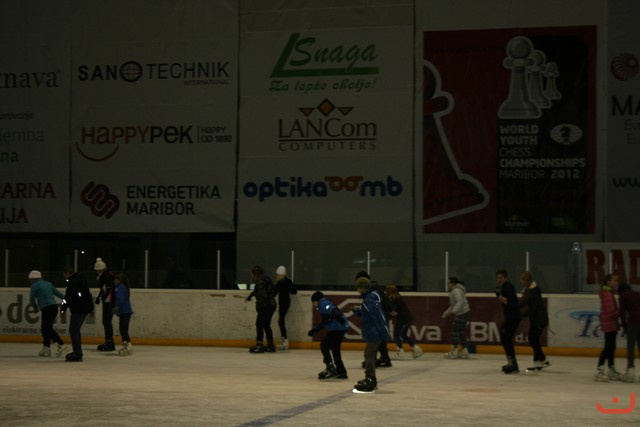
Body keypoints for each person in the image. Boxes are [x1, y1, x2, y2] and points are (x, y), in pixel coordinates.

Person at [352, 276, 391, 393]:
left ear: (362, 288)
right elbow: (366, 313)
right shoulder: (369, 299)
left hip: (375, 332)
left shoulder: (370, 300)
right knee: (369, 354)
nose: (357, 290)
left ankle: (370, 379)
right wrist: (358, 310)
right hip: (374, 331)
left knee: (369, 354)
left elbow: (378, 317)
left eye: (358, 288)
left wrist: (383, 331)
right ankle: (370, 378)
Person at [308, 291, 348, 380]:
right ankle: (341, 371)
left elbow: (327, 317)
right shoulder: (326, 302)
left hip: (337, 328)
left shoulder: (323, 304)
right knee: (335, 348)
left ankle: (330, 367)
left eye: (313, 302)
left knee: (324, 345)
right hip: (341, 328)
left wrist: (315, 330)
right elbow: (330, 315)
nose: (314, 305)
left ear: (316, 300)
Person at [355, 271, 392, 368]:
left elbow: (382, 300)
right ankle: (383, 358)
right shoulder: (372, 290)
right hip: (381, 312)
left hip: (380, 314)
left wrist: (389, 310)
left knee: (376, 339)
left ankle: (375, 360)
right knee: (377, 339)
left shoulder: (372, 290)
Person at [28, 270, 68, 357]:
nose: (30, 281)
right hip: (53, 307)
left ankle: (61, 344)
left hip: (47, 308)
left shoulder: (34, 286)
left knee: (47, 328)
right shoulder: (48, 284)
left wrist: (35, 307)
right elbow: (58, 293)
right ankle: (46, 347)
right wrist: (67, 299)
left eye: (30, 279)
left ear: (33, 279)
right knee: (45, 328)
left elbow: (31, 299)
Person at [518, 271, 550, 370]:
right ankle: (542, 360)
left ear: (527, 280)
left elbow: (533, 308)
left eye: (522, 280)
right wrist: (514, 308)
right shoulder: (529, 290)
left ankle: (537, 362)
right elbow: (523, 302)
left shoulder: (533, 291)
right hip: (537, 319)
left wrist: (522, 315)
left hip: (539, 319)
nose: (520, 282)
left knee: (533, 339)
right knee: (533, 339)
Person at [60, 267, 94, 362]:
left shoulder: (72, 281)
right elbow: (88, 294)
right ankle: (77, 352)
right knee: (75, 330)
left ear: (67, 273)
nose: (65, 277)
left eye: (64, 275)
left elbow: (68, 296)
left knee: (73, 330)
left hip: (78, 308)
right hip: (84, 308)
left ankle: (77, 353)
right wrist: (91, 308)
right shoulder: (82, 279)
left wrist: (62, 309)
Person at [594, 274, 622, 381]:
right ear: (608, 281)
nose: (616, 282)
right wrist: (621, 312)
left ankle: (611, 368)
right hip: (609, 324)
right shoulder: (607, 294)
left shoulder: (609, 293)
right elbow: (611, 312)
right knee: (608, 347)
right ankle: (599, 369)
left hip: (611, 324)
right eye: (614, 280)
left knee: (611, 347)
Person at [385, 284, 423, 359]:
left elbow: (394, 311)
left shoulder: (392, 298)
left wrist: (388, 313)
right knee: (403, 334)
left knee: (396, 334)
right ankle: (417, 349)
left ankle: (400, 352)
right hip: (408, 318)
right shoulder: (398, 296)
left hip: (402, 319)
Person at [495, 269, 521, 374]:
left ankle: (513, 364)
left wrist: (499, 296)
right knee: (505, 338)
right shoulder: (505, 287)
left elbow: (509, 302)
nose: (499, 280)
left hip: (512, 317)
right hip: (511, 317)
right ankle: (511, 362)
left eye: (501, 278)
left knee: (505, 338)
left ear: (505, 278)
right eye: (498, 278)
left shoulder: (508, 288)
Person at [246, 265, 277, 353]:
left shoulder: (260, 281)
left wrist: (258, 304)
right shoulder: (267, 279)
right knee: (266, 324)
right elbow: (267, 292)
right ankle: (270, 344)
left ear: (255, 274)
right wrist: (251, 295)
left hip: (265, 306)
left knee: (259, 324)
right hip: (272, 305)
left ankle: (259, 344)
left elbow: (263, 295)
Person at [442, 276, 471, 359]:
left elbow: (459, 302)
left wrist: (454, 311)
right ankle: (464, 350)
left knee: (454, 331)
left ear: (453, 283)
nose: (447, 284)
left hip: (462, 313)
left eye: (448, 283)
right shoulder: (455, 291)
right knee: (461, 331)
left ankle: (454, 351)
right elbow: (453, 305)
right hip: (464, 313)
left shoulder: (456, 291)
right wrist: (446, 313)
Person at [618, 283, 640, 383]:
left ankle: (630, 370)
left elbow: (622, 312)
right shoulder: (637, 294)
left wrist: (624, 325)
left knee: (631, 346)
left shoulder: (623, 296)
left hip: (633, 322)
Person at [94, 257, 116, 352]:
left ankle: (109, 342)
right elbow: (105, 289)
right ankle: (109, 342)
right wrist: (100, 297)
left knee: (106, 321)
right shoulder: (108, 275)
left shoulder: (105, 276)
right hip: (108, 301)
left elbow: (106, 289)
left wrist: (101, 297)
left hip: (108, 302)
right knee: (106, 321)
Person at [274, 265, 297, 350]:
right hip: (286, 302)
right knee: (281, 321)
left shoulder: (280, 282)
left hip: (283, 303)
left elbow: (274, 293)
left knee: (281, 321)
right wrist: (289, 289)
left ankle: (285, 341)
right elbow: (294, 291)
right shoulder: (288, 281)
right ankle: (284, 341)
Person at [114, 273, 134, 356]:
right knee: (124, 329)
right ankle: (127, 345)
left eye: (115, 280)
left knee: (123, 329)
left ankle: (127, 345)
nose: (114, 281)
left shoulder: (121, 287)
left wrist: (116, 306)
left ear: (119, 280)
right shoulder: (123, 287)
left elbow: (120, 299)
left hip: (124, 311)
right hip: (126, 311)